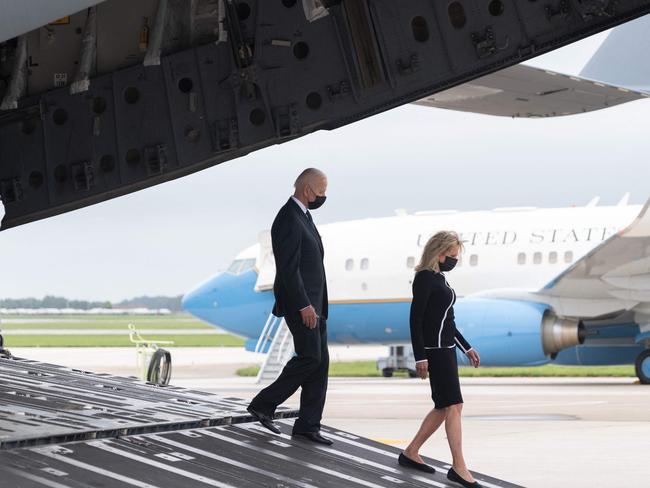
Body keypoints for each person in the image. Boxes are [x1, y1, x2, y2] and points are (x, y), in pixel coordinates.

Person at [247, 168, 332, 446]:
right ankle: (263, 404)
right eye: (321, 192)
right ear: (307, 190)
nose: (323, 197)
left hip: (316, 306)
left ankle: (308, 425)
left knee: (320, 363)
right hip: (302, 306)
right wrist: (304, 305)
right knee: (310, 358)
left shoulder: (303, 216)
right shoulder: (288, 219)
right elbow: (288, 269)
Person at [398, 231, 482, 488]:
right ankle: (458, 467)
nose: (454, 261)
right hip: (434, 351)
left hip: (447, 349)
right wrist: (420, 356)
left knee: (444, 406)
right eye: (453, 256)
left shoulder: (440, 279)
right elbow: (416, 320)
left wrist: (466, 348)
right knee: (454, 405)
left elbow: (448, 321)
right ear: (439, 252)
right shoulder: (424, 278)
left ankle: (411, 452)